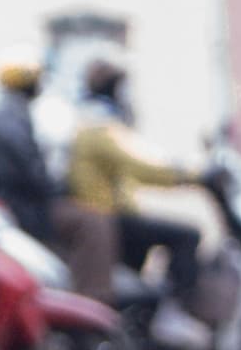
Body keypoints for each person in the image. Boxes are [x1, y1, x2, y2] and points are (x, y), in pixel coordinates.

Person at [62, 57, 220, 334]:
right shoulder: (98, 125)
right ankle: (172, 314)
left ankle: (145, 320)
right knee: (188, 235)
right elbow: (142, 165)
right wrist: (194, 174)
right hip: (108, 218)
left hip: (115, 214)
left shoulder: (95, 121)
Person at [0, 61, 61, 239]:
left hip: (13, 197)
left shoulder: (10, 109)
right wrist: (52, 189)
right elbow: (26, 165)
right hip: (14, 202)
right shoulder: (9, 115)